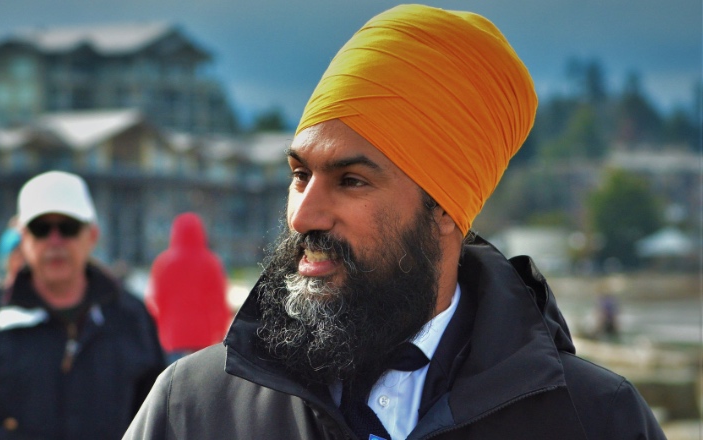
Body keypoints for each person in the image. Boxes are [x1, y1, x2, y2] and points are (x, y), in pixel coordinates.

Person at [125, 5, 665, 440]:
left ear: (446, 211)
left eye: (351, 181)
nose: (303, 214)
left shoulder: (594, 420)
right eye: (299, 174)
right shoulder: (194, 409)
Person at [0, 170, 166, 440]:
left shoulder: (131, 318)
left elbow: (160, 419)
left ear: (92, 235)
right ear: (23, 238)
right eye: (41, 229)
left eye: (68, 227)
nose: (55, 241)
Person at [144, 212, 231, 364]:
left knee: (173, 383)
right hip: (204, 337)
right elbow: (219, 301)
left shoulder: (163, 263)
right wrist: (221, 331)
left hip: (173, 337)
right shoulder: (211, 263)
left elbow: (155, 301)